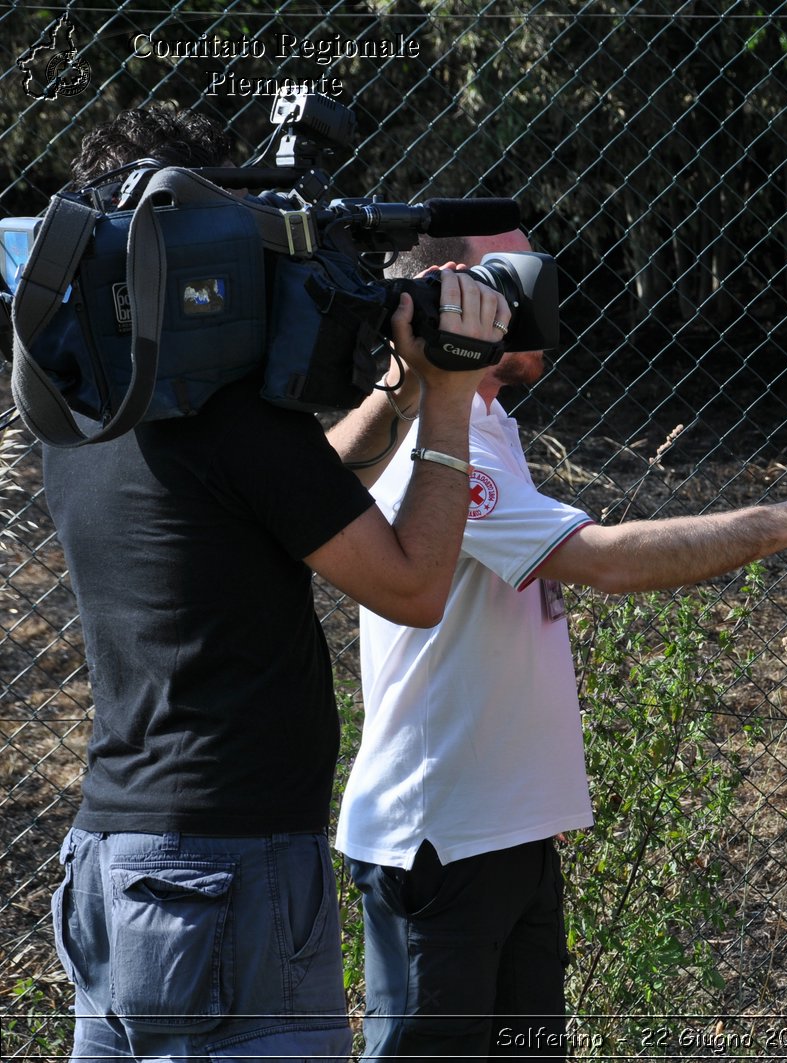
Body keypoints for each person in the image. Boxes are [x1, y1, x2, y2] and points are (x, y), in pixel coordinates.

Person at [329, 229, 787, 1058]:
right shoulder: (439, 443)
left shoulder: (487, 425)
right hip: (439, 842)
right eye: (510, 271)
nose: (539, 287)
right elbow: (603, 562)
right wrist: (783, 522)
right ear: (450, 293)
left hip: (507, 834)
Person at [41, 105, 510, 1060]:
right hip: (228, 872)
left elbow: (281, 503)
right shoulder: (235, 422)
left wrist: (398, 389)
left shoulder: (82, 410)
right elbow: (415, 585)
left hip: (108, 862)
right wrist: (453, 398)